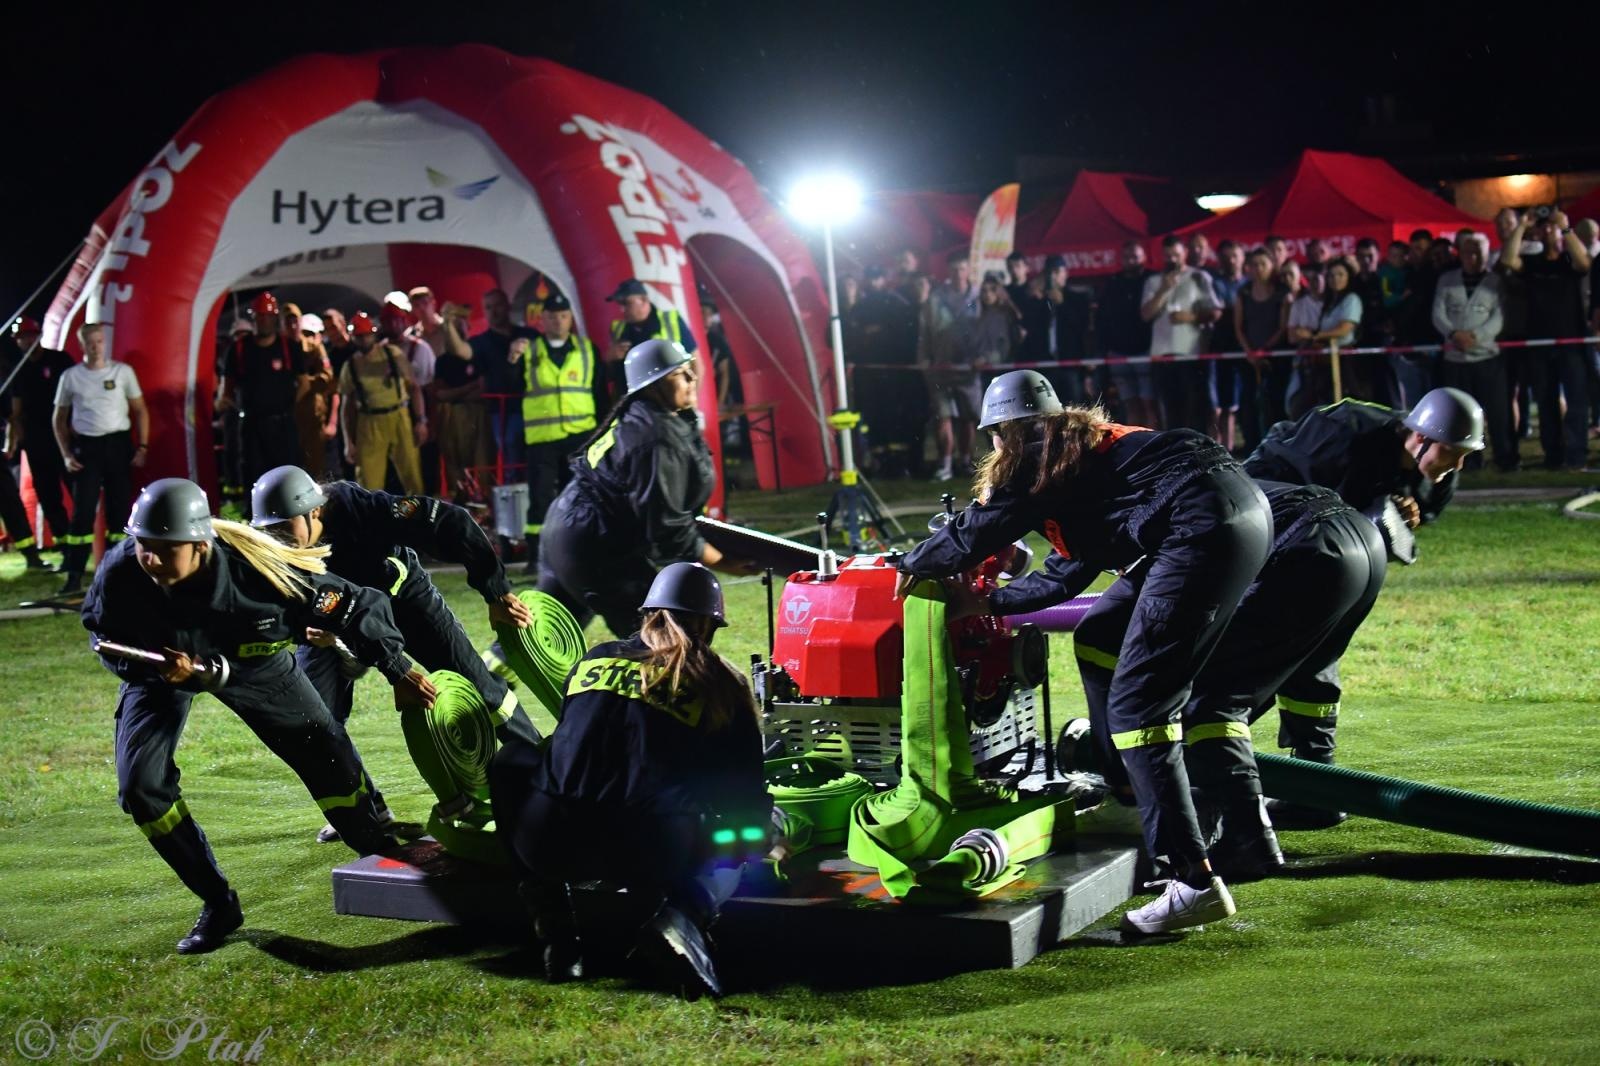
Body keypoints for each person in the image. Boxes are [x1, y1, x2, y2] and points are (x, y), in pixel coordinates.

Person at [896, 370, 1272, 935]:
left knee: (1140, 709)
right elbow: (1065, 577)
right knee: (1100, 634)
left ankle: (1191, 880)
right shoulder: (1085, 450)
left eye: (995, 438)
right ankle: (1128, 784)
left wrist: (909, 566)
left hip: (1197, 530)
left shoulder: (1032, 459)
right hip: (1245, 511)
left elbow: (975, 534)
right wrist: (991, 603)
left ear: (1004, 433)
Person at [82, 478, 434, 954]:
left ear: (200, 544)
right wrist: (146, 664)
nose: (150, 558)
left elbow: (360, 605)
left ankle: (388, 857)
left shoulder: (262, 572)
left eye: (165, 549)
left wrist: (398, 670)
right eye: (143, 545)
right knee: (141, 787)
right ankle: (218, 903)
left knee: (325, 752)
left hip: (255, 662)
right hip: (162, 669)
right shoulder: (123, 570)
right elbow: (101, 634)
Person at [1069, 478, 1386, 881]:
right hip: (1361, 541)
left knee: (1208, 701)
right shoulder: (1178, 482)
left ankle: (1248, 843)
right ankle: (1316, 792)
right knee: (1308, 670)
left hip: (1303, 549)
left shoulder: (1143, 511)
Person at [490, 562, 768, 997]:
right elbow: (744, 796)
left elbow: (571, 746)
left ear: (647, 614)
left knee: (511, 760)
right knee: (745, 828)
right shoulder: (720, 683)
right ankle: (683, 918)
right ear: (707, 623)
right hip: (651, 856)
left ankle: (557, 933)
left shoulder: (593, 658)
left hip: (551, 843)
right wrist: (760, 834)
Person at [249, 464, 543, 842]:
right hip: (334, 625)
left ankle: (548, 773)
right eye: (269, 530)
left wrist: (496, 591)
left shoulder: (363, 510)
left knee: (479, 686)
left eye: (285, 526)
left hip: (405, 605)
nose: (279, 540)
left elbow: (452, 521)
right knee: (314, 723)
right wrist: (301, 632)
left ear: (315, 510)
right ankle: (367, 814)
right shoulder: (274, 548)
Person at [1243, 388, 1483, 823]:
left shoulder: (1439, 465)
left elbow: (1415, 515)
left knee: (1320, 654)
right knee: (1256, 659)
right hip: (1276, 532)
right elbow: (1275, 488)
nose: (1459, 464)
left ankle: (1313, 787)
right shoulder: (1341, 433)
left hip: (1338, 558)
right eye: (1454, 452)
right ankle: (1212, 773)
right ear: (1420, 437)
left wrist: (1405, 515)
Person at [535, 339, 746, 638]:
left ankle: (487, 680)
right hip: (597, 546)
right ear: (653, 385)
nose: (692, 378)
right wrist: (724, 562)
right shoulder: (656, 437)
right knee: (665, 641)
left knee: (542, 637)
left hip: (569, 532)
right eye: (679, 374)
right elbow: (666, 528)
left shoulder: (648, 416)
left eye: (690, 370)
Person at [53, 323, 149, 596]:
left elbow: (140, 410)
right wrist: (66, 454)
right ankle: (74, 577)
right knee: (82, 515)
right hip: (87, 448)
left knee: (120, 514)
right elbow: (58, 420)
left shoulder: (123, 372)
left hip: (118, 446)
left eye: (99, 341)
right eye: (90, 342)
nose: (95, 347)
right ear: (82, 345)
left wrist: (142, 446)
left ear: (105, 342)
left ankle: (119, 574)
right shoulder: (70, 377)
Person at [1500, 208, 1593, 471]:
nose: (1547, 230)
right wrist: (1522, 226)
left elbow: (1584, 263)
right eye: (1544, 227)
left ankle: (1576, 456)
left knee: (1576, 403)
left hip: (1571, 343)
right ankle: (1553, 456)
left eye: (1551, 226)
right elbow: (1508, 260)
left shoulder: (1568, 260)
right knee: (1546, 403)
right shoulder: (1533, 263)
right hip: (1539, 344)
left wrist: (1565, 228)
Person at [510, 292, 597, 568]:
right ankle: (537, 558)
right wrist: (512, 360)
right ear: (541, 320)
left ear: (570, 318)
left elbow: (599, 392)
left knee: (583, 495)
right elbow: (512, 387)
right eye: (551, 316)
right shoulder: (528, 350)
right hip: (542, 439)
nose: (558, 321)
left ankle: (584, 550)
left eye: (563, 316)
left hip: (580, 435)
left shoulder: (587, 349)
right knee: (541, 499)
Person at [1433, 232, 1514, 471]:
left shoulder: (1495, 281)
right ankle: (1468, 461)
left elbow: (1499, 317)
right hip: (1455, 359)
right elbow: (1438, 313)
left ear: (1487, 254)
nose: (1473, 257)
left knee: (1499, 412)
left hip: (1488, 358)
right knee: (1462, 416)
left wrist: (1475, 337)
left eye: (1479, 252)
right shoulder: (1446, 280)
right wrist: (1453, 334)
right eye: (1468, 252)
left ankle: (1505, 458)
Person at [216, 293, 303, 508]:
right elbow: (227, 388)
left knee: (288, 477)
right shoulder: (239, 349)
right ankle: (257, 523)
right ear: (254, 319)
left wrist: (290, 406)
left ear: (275, 318)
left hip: (283, 425)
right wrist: (224, 402)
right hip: (253, 426)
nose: (264, 321)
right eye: (260, 316)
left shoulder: (289, 347)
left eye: (268, 316)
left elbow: (304, 383)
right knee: (254, 478)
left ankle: (291, 522)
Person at [6, 317, 75, 565]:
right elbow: (16, 412)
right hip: (37, 443)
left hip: (65, 440)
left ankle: (85, 542)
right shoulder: (19, 371)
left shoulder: (60, 360)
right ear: (17, 342)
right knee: (48, 495)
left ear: (39, 335)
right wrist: (13, 442)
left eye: (31, 335)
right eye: (22, 337)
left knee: (77, 490)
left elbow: (78, 395)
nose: (27, 341)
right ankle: (65, 546)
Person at [338, 312, 427, 493]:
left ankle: (420, 518)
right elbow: (346, 407)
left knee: (413, 476)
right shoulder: (351, 365)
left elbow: (414, 387)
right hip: (369, 422)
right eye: (359, 336)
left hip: (399, 416)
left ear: (374, 334)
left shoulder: (392, 354)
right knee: (368, 483)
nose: (363, 340)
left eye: (366, 335)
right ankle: (372, 519)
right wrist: (349, 442)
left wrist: (421, 421)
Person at [1141, 236, 1218, 431]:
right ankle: (1176, 453)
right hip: (1162, 355)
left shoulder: (1198, 277)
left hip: (1190, 353)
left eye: (1176, 254)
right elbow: (1146, 315)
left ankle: (1198, 453)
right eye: (1168, 255)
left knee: (1195, 408)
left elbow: (1215, 312)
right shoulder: (1153, 281)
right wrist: (1163, 289)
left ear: (1184, 252)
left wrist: (1191, 317)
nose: (1172, 259)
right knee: (1169, 409)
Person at [469, 289, 539, 480]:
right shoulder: (479, 343)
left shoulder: (531, 335)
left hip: (537, 407)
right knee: (512, 459)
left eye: (497, 305)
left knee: (540, 459)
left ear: (508, 305)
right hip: (503, 413)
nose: (494, 311)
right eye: (488, 307)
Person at [605, 278, 700, 413]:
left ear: (643, 300)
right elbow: (612, 377)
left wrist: (690, 403)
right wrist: (609, 359)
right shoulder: (618, 329)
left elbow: (697, 365)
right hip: (632, 413)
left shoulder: (671, 322)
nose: (622, 309)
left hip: (669, 413)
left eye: (626, 303)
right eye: (619, 304)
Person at [430, 303, 490, 503]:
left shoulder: (478, 354)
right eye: (453, 326)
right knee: (454, 462)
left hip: (477, 415)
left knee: (480, 461)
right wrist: (467, 389)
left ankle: (482, 503)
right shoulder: (442, 361)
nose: (457, 329)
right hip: (451, 416)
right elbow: (441, 394)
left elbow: (483, 389)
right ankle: (461, 502)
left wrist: (455, 394)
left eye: (461, 325)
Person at [1098, 240, 1157, 427]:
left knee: (1149, 403)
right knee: (1130, 402)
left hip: (1145, 350)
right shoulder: (1113, 283)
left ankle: (1154, 443)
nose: (1131, 261)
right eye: (1127, 257)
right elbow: (1104, 318)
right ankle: (1137, 443)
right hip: (1118, 351)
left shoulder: (1152, 280)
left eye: (1135, 256)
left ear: (1144, 258)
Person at [1234, 248, 1289, 449]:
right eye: (1254, 265)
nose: (1258, 269)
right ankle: (1252, 446)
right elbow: (1238, 326)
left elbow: (1283, 327)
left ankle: (1278, 446)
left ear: (1271, 266)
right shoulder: (1244, 292)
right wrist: (1250, 352)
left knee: (1275, 402)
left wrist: (1265, 350)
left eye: (1262, 264)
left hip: (1276, 355)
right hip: (1249, 356)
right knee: (1248, 402)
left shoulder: (1281, 292)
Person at [1207, 240, 1250, 450]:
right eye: (1226, 257)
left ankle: (1241, 448)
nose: (1231, 261)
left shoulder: (1250, 284)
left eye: (1235, 256)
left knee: (1243, 402)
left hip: (1247, 348)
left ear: (1242, 257)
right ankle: (1222, 450)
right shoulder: (1216, 283)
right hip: (1221, 348)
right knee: (1221, 404)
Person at [286, 306, 336, 480]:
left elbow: (327, 377)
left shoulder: (314, 348)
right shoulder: (279, 345)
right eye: (287, 321)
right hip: (287, 417)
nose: (291, 326)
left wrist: (304, 383)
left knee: (315, 466)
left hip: (312, 414)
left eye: (295, 321)